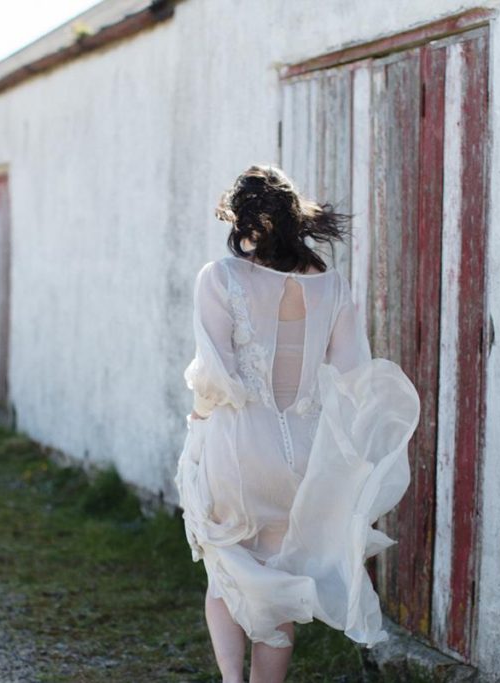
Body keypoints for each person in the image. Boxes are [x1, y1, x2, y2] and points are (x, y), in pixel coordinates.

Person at [173, 164, 420, 683]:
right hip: (303, 454)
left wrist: (196, 423)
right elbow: (353, 374)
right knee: (280, 580)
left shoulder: (220, 276)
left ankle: (232, 680)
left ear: (245, 221)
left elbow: (214, 376)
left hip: (238, 444)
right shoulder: (331, 286)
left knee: (226, 570)